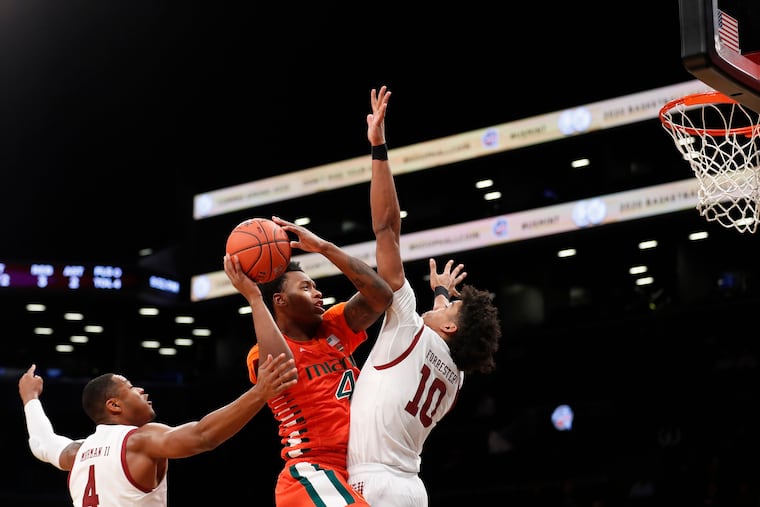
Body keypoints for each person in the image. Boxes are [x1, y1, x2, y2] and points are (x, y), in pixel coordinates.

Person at [347, 85, 503, 506]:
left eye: (450, 307)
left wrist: (378, 148)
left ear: (451, 325)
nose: (442, 304)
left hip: (373, 483)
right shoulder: (456, 375)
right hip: (411, 490)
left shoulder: (411, 328)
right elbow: (441, 331)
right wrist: (440, 294)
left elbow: (387, 229)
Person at [223, 216, 393, 506]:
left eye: (315, 286)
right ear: (280, 301)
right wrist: (254, 298)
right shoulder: (261, 352)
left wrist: (324, 248)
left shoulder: (334, 326)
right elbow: (285, 370)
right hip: (312, 468)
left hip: (356, 467)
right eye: (305, 288)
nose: (317, 292)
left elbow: (382, 296)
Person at [18, 352, 297, 507]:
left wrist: (30, 399)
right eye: (131, 388)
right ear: (114, 405)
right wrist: (260, 392)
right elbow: (203, 435)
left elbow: (43, 443)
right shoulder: (139, 440)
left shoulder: (78, 452)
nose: (141, 390)